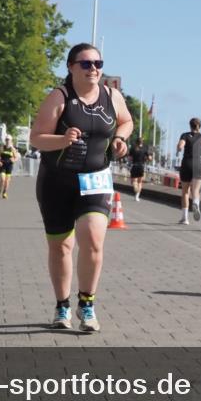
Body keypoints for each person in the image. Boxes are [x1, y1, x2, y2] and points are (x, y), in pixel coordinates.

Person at [29, 43, 133, 332]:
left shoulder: (112, 96)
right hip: (57, 181)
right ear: (71, 67)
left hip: (95, 178)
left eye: (98, 63)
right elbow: (36, 138)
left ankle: (87, 304)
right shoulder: (59, 97)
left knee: (93, 240)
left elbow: (126, 121)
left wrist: (121, 139)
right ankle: (62, 306)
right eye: (86, 64)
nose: (94, 69)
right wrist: (61, 140)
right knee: (62, 246)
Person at [176, 118, 201, 224]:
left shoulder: (185, 135)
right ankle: (196, 204)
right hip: (198, 164)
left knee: (185, 191)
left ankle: (185, 218)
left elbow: (180, 146)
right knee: (195, 191)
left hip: (187, 163)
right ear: (199, 126)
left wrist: (178, 149)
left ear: (190, 126)